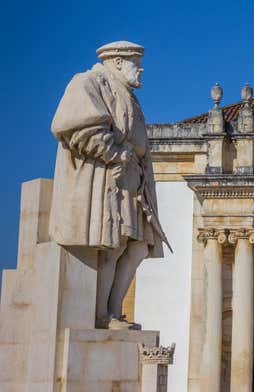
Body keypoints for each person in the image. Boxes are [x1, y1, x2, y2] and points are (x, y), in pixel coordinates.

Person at [50, 41, 170, 329]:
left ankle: (114, 310)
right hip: (110, 179)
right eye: (135, 63)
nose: (140, 70)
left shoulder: (128, 95)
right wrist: (115, 153)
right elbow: (74, 125)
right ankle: (104, 315)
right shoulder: (89, 82)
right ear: (117, 62)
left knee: (139, 246)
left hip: (133, 183)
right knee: (113, 246)